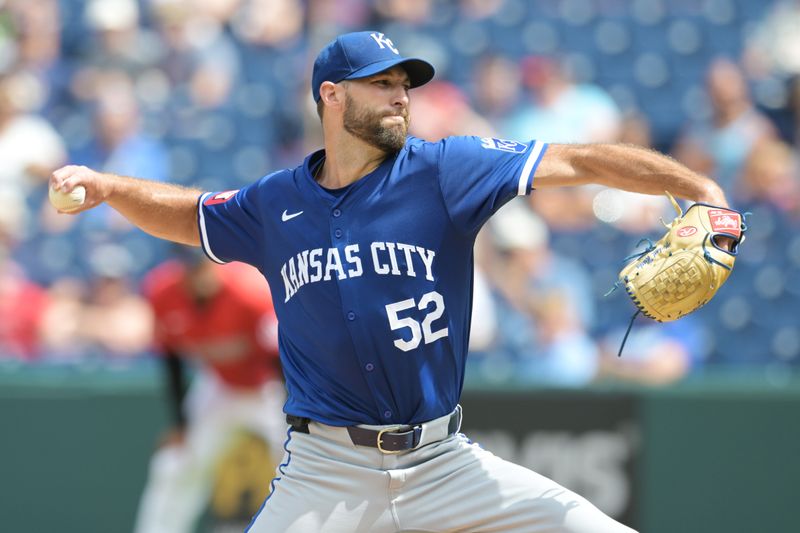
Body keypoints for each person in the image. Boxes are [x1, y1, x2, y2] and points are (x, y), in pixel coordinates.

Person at [50, 31, 734, 533]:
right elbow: (188, 213)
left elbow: (577, 159)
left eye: (405, 83)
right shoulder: (275, 203)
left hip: (444, 462)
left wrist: (697, 186)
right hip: (325, 472)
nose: (401, 95)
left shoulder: (446, 170)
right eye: (382, 82)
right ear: (332, 94)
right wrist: (108, 186)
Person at [133, 247, 285, 533]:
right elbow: (171, 359)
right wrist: (180, 423)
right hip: (219, 386)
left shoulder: (249, 292)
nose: (198, 273)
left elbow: (282, 361)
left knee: (301, 460)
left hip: (268, 388)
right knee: (175, 463)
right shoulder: (163, 292)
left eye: (202, 265)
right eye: (191, 266)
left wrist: (295, 414)